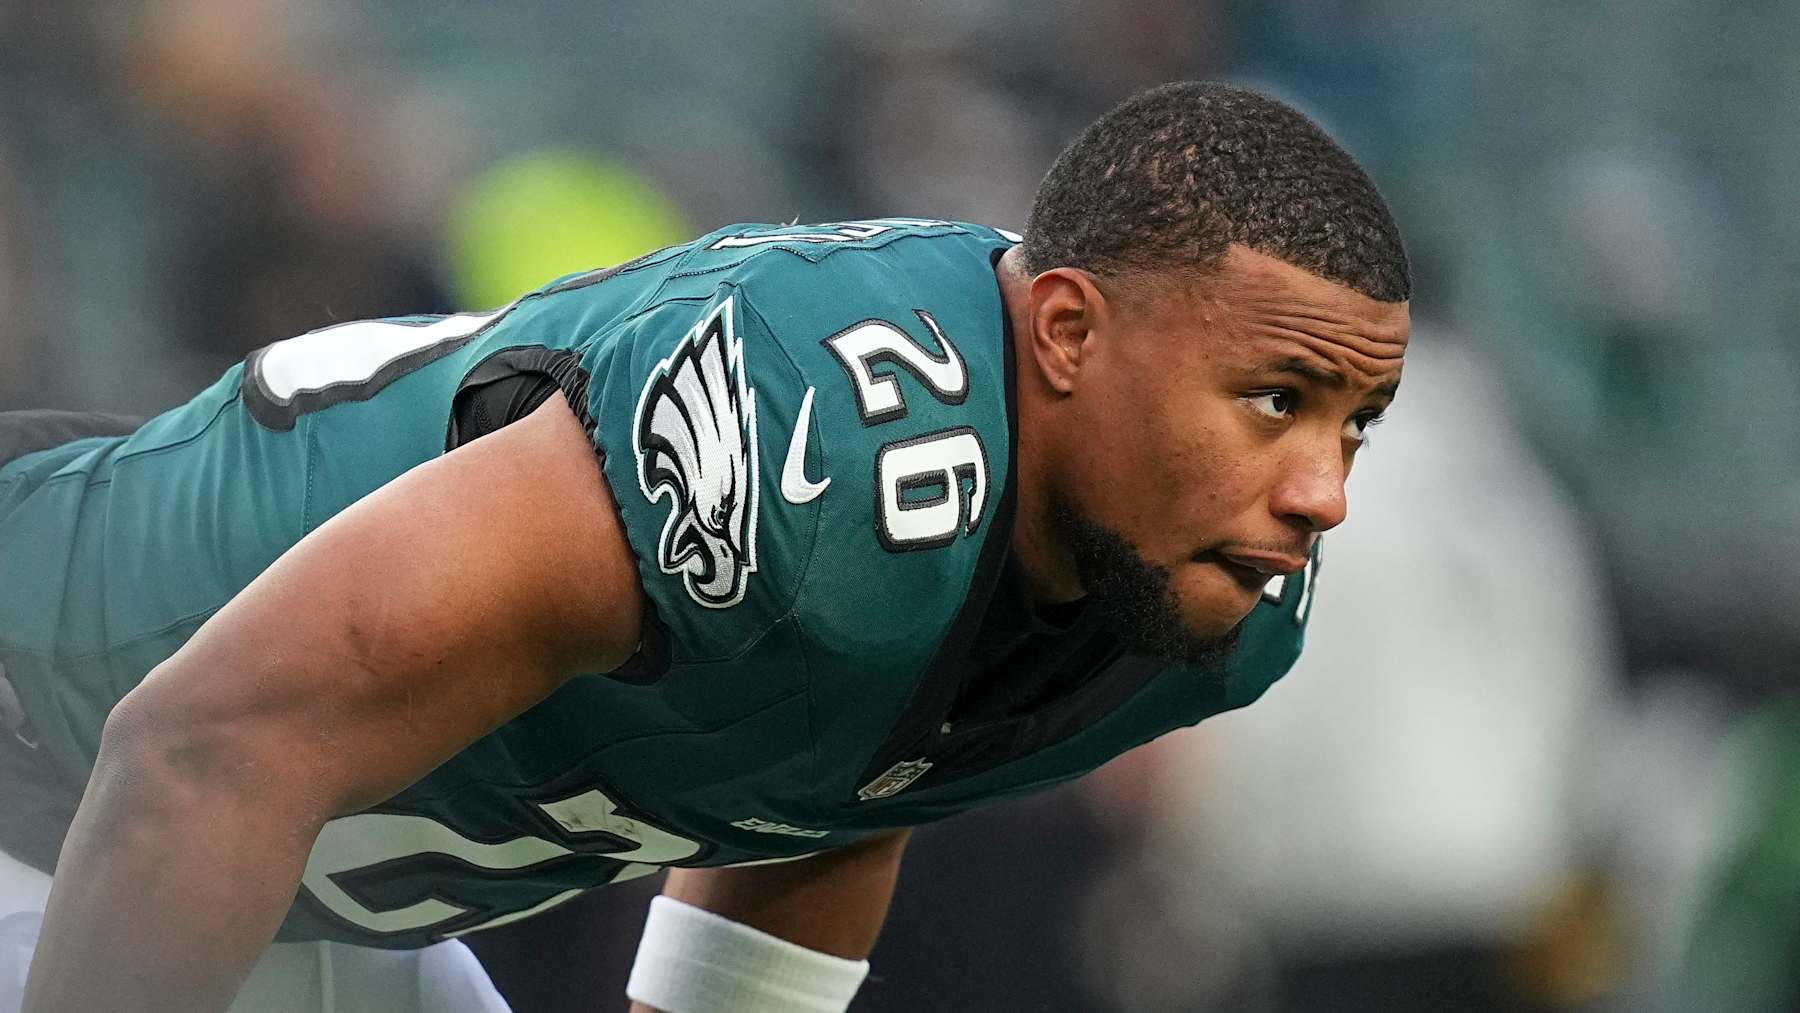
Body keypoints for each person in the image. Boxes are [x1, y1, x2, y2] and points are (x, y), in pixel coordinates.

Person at [0, 81, 1411, 1013]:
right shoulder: (819, 429)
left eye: (1356, 421)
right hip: (61, 769)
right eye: (1276, 399)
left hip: (292, 890)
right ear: (1065, 333)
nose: (1321, 491)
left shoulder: (1173, 589)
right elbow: (207, 745)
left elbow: (837, 765)